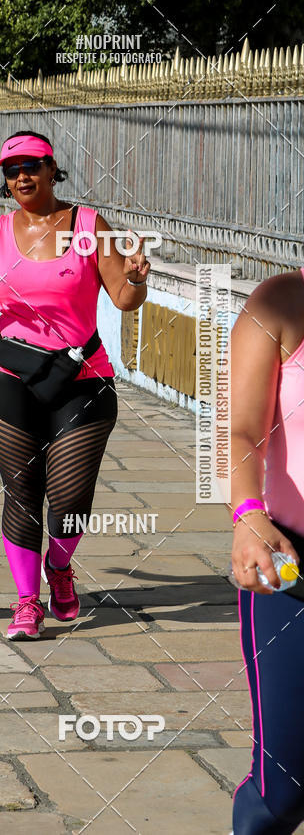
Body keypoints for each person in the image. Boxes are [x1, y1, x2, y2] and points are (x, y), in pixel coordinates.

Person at [0, 130, 150, 639]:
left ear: (51, 169)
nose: (21, 176)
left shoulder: (88, 227)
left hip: (82, 376)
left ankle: (59, 566)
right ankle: (26, 602)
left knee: (70, 495)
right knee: (22, 491)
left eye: (31, 166)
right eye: (11, 169)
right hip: (8, 374)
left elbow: (124, 299)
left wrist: (136, 278)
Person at [230, 269, 304, 834]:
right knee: (281, 795)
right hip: (292, 568)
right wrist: (248, 515)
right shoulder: (281, 300)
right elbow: (238, 431)